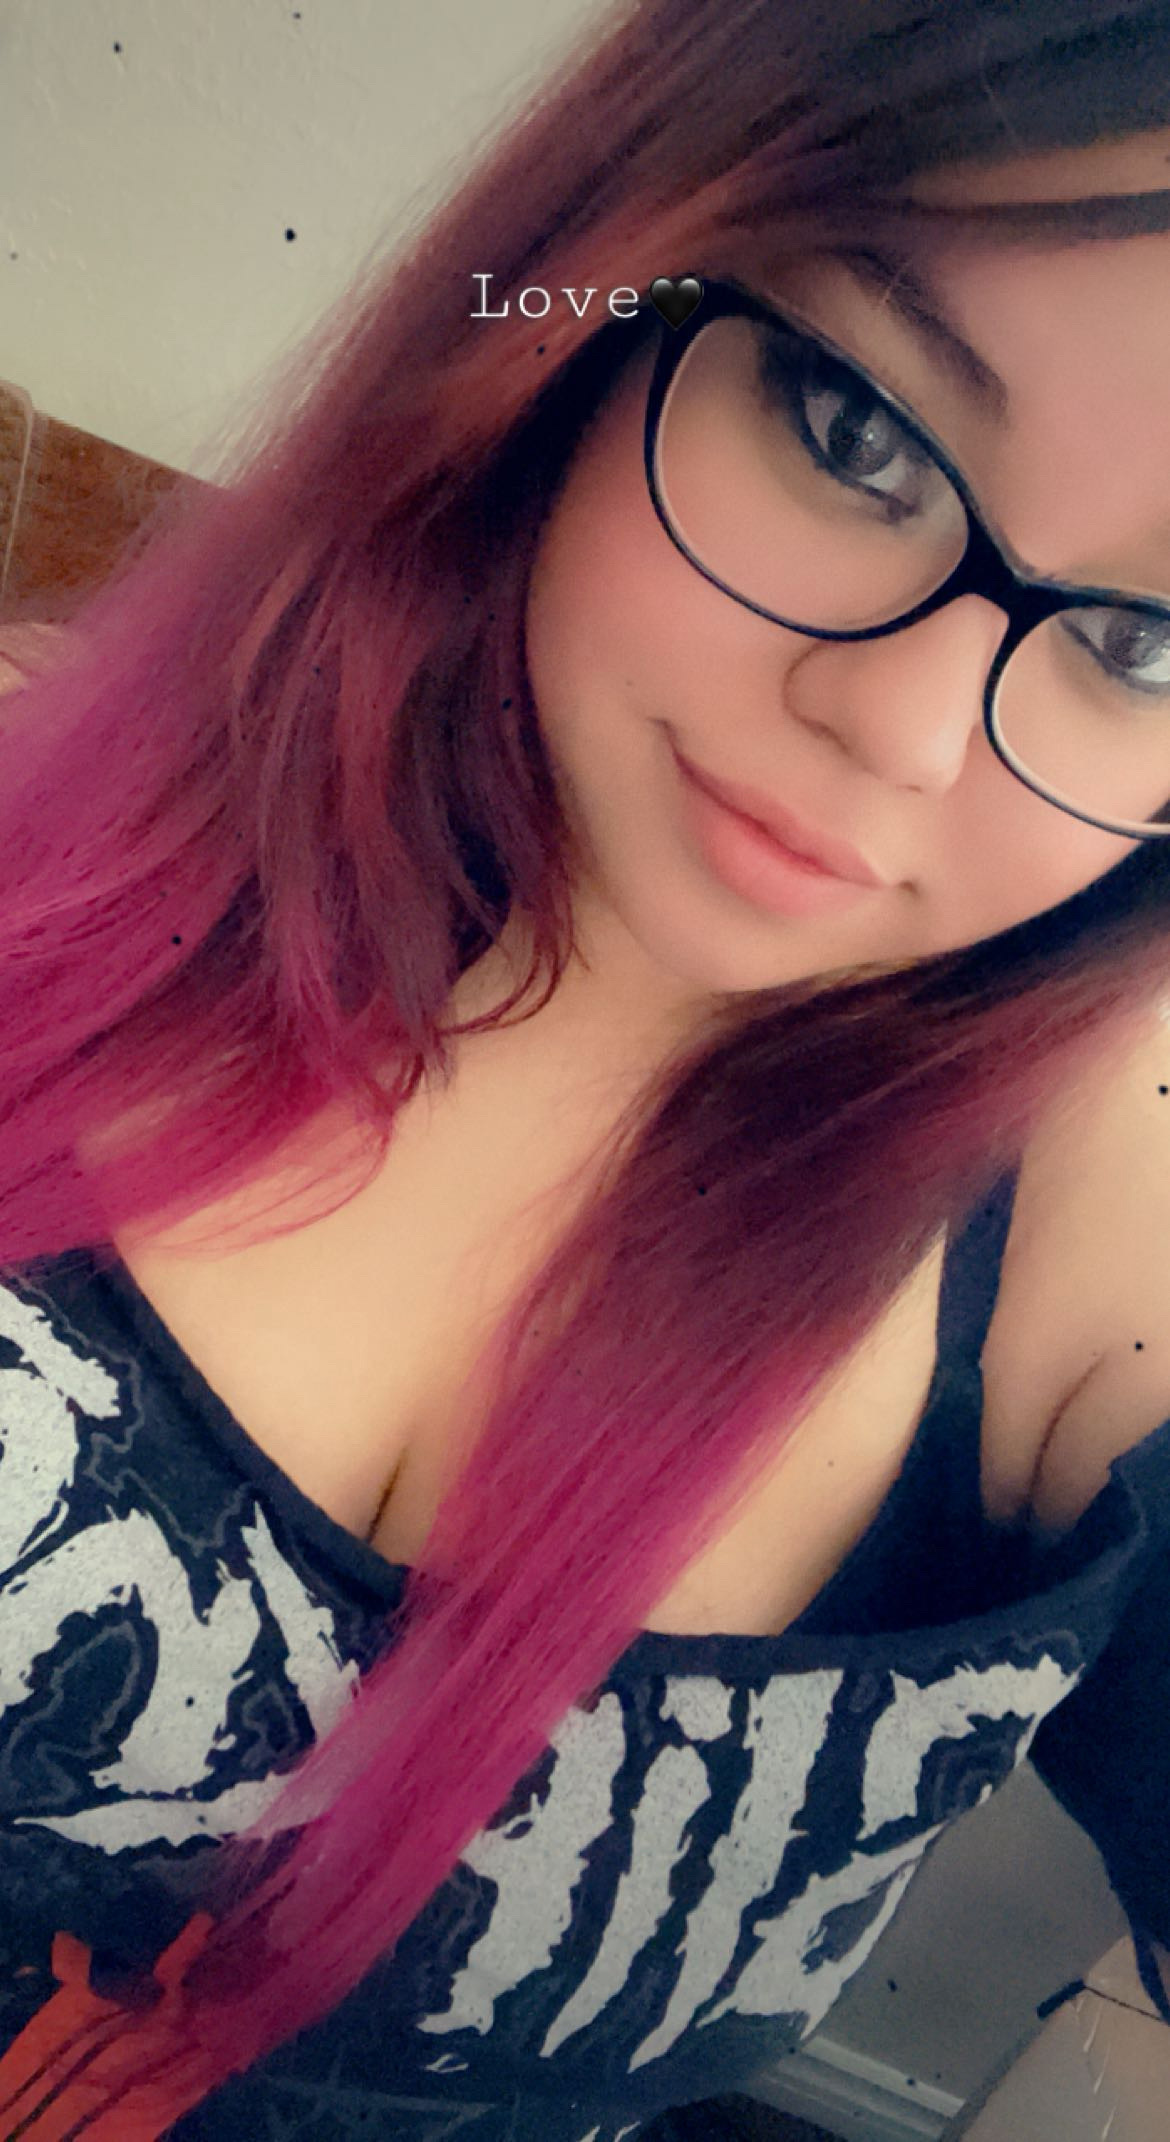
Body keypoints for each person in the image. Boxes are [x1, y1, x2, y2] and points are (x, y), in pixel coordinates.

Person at [2, 1, 1170, 2135]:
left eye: (1141, 644)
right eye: (856, 429)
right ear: (602, 293)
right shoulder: (49, 847)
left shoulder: (1106, 1238)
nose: (904, 728)